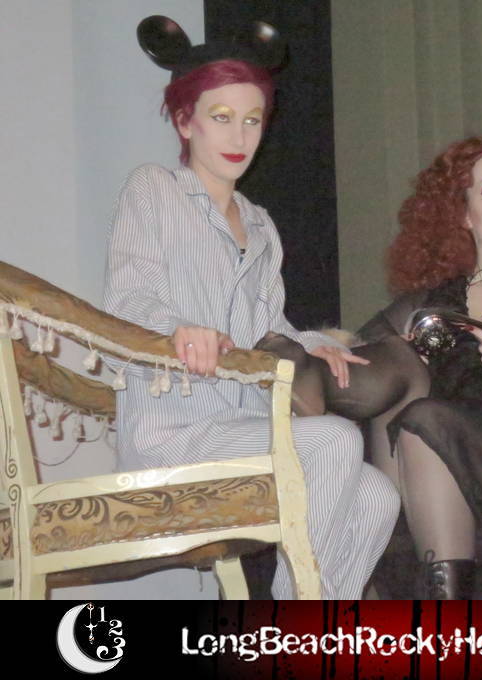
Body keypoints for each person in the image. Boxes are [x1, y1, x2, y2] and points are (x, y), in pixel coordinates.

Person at [102, 16, 399, 599]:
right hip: (170, 433)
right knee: (334, 439)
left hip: (242, 427)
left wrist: (321, 345)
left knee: (378, 496)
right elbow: (127, 298)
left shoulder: (260, 224)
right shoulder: (154, 189)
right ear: (184, 121)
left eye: (252, 119)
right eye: (221, 117)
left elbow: (269, 328)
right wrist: (178, 329)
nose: (238, 135)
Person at [260, 133, 482, 598]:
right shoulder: (431, 304)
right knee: (399, 359)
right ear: (463, 215)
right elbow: (366, 356)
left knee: (424, 417)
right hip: (422, 465)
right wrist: (327, 347)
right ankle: (309, 375)